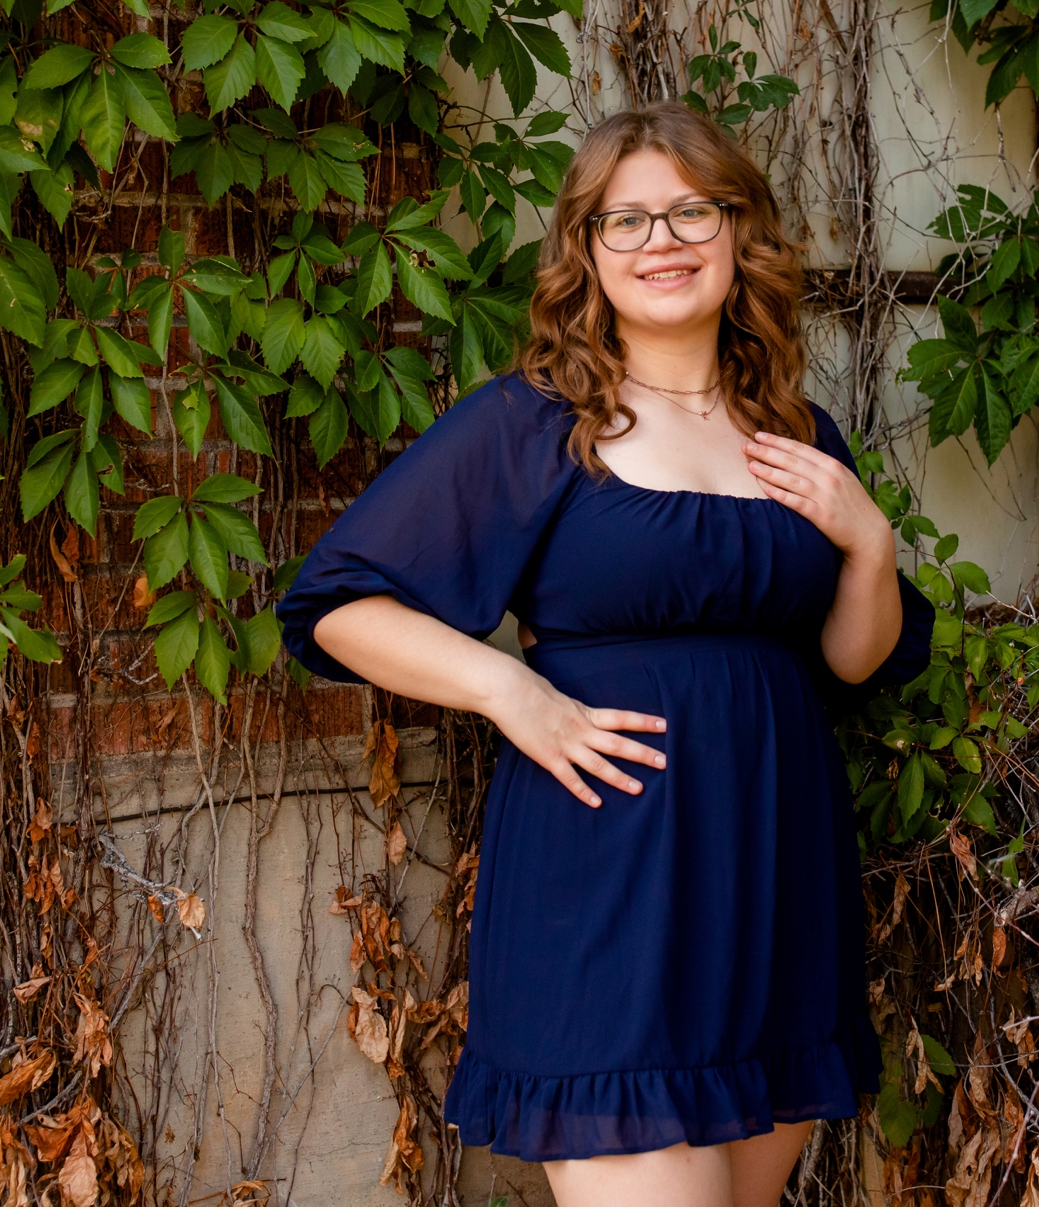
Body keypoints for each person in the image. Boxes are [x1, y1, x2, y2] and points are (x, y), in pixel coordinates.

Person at [278, 101, 933, 1206]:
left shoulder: (798, 431)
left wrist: (867, 536)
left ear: (740, 234)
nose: (661, 241)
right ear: (584, 250)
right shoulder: (534, 424)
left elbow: (856, 660)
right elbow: (336, 604)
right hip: (609, 882)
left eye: (691, 211)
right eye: (624, 220)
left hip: (776, 886)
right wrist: (508, 688)